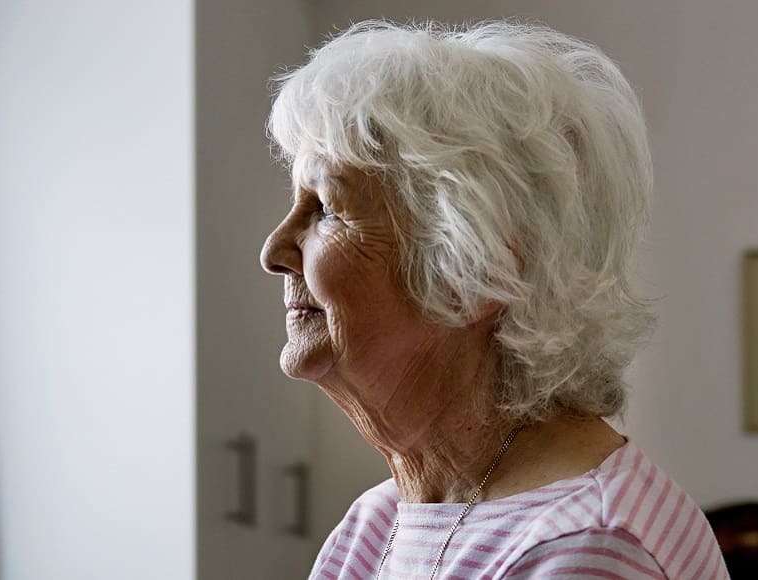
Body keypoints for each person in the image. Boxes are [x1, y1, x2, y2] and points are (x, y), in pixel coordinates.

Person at [260, 19, 729, 580]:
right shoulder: (376, 526)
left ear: (474, 273)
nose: (274, 249)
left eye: (327, 209)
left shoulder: (588, 545)